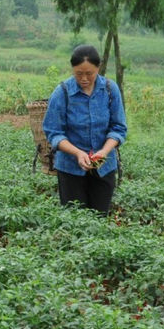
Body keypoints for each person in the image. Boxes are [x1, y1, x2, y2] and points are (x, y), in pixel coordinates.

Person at [41, 44, 127, 215]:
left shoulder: (110, 90)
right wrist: (78, 154)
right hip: (70, 169)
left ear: (99, 68)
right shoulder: (62, 93)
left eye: (90, 73)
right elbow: (54, 132)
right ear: (72, 69)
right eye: (79, 73)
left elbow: (118, 128)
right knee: (74, 220)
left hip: (104, 167)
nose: (84, 78)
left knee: (99, 218)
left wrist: (104, 151)